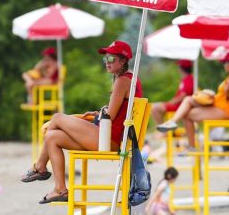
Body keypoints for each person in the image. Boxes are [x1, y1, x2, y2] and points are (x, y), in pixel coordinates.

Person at [20, 41, 143, 204]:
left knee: (57, 118)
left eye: (111, 58)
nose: (107, 62)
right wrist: (97, 114)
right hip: (109, 136)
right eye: (105, 58)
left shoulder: (123, 81)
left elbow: (110, 116)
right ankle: (60, 189)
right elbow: (115, 112)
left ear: (123, 60)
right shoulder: (128, 79)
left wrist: (93, 117)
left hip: (109, 140)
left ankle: (40, 167)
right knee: (52, 137)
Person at [156, 52, 229, 150]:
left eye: (224, 63)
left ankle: (191, 145)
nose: (224, 65)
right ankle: (173, 123)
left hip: (223, 110)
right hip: (216, 105)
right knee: (188, 100)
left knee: (186, 114)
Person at [151, 60, 194, 124]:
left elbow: (182, 96)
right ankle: (163, 128)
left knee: (154, 108)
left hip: (180, 106)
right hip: (179, 105)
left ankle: (162, 130)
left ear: (181, 68)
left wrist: (170, 103)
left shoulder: (189, 79)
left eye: (179, 67)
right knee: (154, 106)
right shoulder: (186, 79)